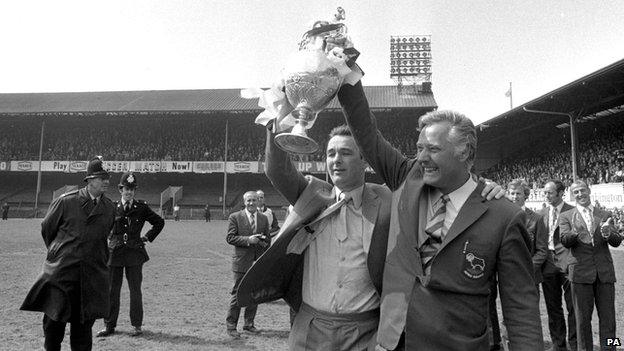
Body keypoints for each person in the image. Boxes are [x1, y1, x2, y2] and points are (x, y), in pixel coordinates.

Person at [237, 125, 505, 350]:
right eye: (330, 153)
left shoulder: (389, 200)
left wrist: (481, 189)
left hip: (365, 331)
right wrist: (277, 124)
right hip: (310, 326)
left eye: (345, 153)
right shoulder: (312, 196)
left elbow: (437, 188)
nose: (335, 160)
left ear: (364, 160)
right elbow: (277, 170)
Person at [337, 81, 542, 350]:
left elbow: (520, 307)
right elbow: (366, 132)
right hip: (392, 342)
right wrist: (347, 76)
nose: (421, 157)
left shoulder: (503, 216)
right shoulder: (408, 178)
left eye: (432, 149)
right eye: (419, 148)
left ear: (464, 151)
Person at [20, 156, 115, 351]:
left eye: (107, 177)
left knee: (83, 333)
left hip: (90, 278)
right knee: (54, 328)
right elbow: (47, 230)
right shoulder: (65, 203)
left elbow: (103, 237)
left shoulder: (109, 208)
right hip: (62, 276)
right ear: (89, 180)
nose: (106, 181)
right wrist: (60, 254)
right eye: (101, 177)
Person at [97, 172, 165, 338]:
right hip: (115, 254)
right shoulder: (112, 207)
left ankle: (136, 325)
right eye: (126, 189)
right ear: (120, 189)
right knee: (113, 291)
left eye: (132, 189)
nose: (129, 192)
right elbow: (101, 225)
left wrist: (147, 237)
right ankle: (109, 325)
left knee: (135, 291)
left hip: (135, 254)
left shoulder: (141, 208)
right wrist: (107, 239)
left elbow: (159, 222)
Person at [559, 180, 622, 350]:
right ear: (572, 195)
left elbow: (617, 241)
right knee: (582, 320)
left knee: (609, 319)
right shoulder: (566, 216)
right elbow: (564, 241)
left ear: (589, 191)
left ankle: (612, 347)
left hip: (604, 274)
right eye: (576, 192)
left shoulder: (605, 213)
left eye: (583, 190)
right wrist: (575, 231)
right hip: (580, 274)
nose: (580, 195)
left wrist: (609, 234)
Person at [488, 179, 548, 349]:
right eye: (512, 193)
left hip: (526, 277)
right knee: (497, 313)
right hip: (498, 276)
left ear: (526, 196)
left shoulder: (536, 219)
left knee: (524, 316)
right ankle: (501, 343)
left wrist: (523, 270)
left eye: (518, 193)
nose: (514, 196)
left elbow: (542, 251)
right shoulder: (499, 216)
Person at [225, 191, 271, 338]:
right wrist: (248, 240)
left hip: (257, 262)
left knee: (254, 294)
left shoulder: (263, 219)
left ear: (258, 202)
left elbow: (268, 240)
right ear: (244, 202)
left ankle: (249, 324)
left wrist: (262, 241)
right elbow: (230, 238)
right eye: (248, 201)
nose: (251, 203)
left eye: (254, 200)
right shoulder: (235, 217)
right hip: (241, 262)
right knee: (237, 294)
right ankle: (231, 326)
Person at [540, 180, 577, 351]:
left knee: (573, 306)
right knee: (553, 306)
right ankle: (558, 345)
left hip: (569, 261)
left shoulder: (573, 211)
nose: (546, 196)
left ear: (561, 192)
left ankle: (575, 344)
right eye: (545, 193)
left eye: (550, 192)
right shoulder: (542, 213)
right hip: (548, 262)